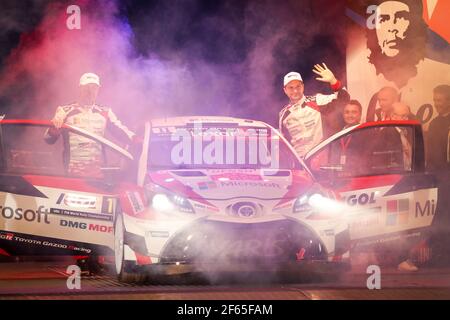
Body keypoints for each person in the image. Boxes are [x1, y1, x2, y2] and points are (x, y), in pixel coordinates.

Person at [44, 72, 135, 177]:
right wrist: (54, 128)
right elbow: (48, 139)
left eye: (94, 88)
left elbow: (120, 131)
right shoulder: (65, 110)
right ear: (80, 89)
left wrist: (137, 139)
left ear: (98, 90)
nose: (90, 91)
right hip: (72, 171)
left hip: (97, 171)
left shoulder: (105, 112)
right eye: (87, 87)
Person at [279, 63, 349, 158]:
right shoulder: (283, 114)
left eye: (298, 86)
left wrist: (333, 81)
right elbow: (284, 143)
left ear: (303, 86)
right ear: (285, 90)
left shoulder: (317, 100)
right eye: (291, 87)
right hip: (299, 163)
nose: (295, 90)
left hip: (320, 159)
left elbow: (344, 99)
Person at [426, 85, 450, 266]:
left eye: (440, 100)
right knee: (441, 217)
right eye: (435, 100)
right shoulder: (434, 124)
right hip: (440, 178)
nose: (436, 104)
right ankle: (440, 258)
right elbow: (432, 154)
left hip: (445, 177)